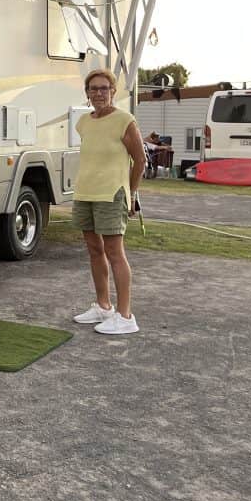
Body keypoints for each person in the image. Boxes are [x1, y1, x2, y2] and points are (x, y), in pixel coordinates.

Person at [71, 68, 147, 335]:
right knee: (94, 250)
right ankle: (104, 306)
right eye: (93, 89)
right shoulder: (84, 122)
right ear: (87, 93)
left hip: (112, 194)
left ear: (113, 91)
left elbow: (140, 160)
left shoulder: (124, 120)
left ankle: (125, 316)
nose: (99, 93)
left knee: (115, 252)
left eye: (104, 88)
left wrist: (131, 193)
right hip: (85, 193)